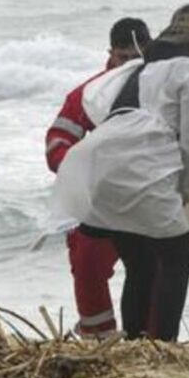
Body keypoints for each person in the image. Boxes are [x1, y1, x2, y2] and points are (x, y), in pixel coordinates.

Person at [67, 5, 189, 341]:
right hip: (144, 174)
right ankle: (162, 344)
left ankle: (136, 341)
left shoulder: (141, 68)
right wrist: (185, 187)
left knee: (141, 264)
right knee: (178, 260)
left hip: (102, 171)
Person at [46, 17, 151, 339]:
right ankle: (98, 334)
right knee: (87, 259)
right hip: (100, 196)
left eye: (137, 57)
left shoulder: (162, 87)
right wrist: (83, 170)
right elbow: (57, 142)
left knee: (155, 267)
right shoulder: (90, 93)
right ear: (110, 54)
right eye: (123, 58)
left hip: (148, 193)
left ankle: (150, 335)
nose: (130, 65)